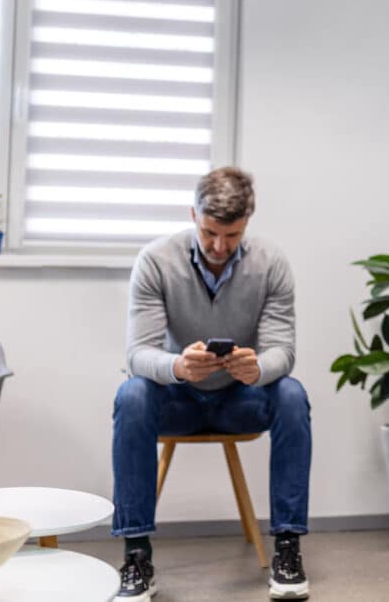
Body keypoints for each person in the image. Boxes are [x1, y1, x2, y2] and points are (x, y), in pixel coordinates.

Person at [111, 167, 311, 601]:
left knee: (292, 394)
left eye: (233, 236)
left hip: (240, 399)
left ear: (247, 224)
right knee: (132, 394)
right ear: (193, 214)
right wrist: (178, 367)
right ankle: (136, 556)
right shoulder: (155, 261)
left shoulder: (271, 263)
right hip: (177, 400)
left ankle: (289, 550)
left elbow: (283, 351)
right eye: (209, 233)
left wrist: (257, 369)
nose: (219, 247)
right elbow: (137, 355)